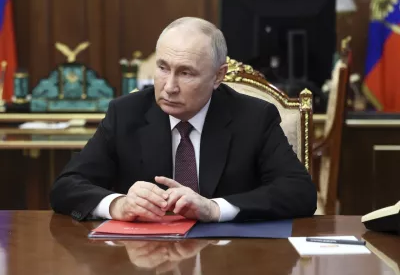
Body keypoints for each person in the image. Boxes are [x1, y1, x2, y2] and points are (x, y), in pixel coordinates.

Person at [50, 17, 317, 222]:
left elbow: (299, 192)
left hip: (229, 260)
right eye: (163, 68)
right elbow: (66, 186)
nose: (169, 87)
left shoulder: (254, 117)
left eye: (186, 73)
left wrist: (214, 208)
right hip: (143, 262)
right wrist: (117, 204)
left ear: (218, 76)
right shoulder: (126, 113)